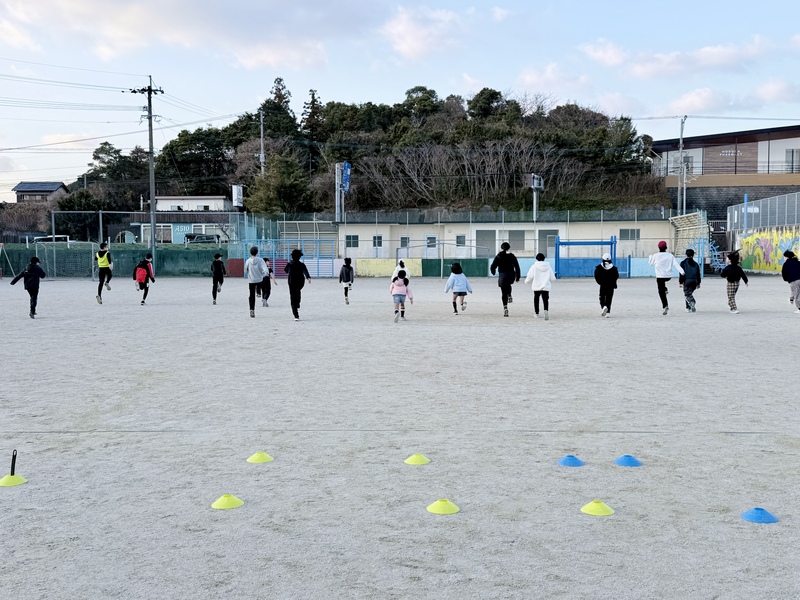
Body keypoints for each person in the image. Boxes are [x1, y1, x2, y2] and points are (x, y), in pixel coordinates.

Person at [648, 240, 684, 315]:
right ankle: (665, 289)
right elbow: (676, 264)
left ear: (658, 247)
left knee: (661, 291)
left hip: (660, 276)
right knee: (662, 286)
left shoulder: (655, 256)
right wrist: (682, 272)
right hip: (668, 276)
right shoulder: (670, 256)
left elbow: (650, 263)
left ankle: (665, 305)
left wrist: (650, 257)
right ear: (666, 247)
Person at [490, 242, 521, 317]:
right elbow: (517, 266)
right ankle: (509, 295)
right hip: (511, 274)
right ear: (509, 248)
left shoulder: (499, 256)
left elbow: (493, 265)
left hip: (502, 274)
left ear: (501, 247)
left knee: (503, 292)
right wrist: (518, 276)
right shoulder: (512, 256)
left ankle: (505, 307)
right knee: (509, 285)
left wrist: (493, 272)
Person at [524, 253, 556, 320]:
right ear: (544, 258)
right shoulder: (548, 267)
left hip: (536, 286)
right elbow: (552, 278)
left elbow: (530, 276)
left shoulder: (534, 266)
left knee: (536, 299)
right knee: (545, 299)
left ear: (536, 259)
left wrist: (526, 281)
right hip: (545, 286)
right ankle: (546, 310)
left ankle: (536, 313)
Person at [284, 248, 311, 321]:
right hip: (300, 282)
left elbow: (285, 270)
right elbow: (305, 271)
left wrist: (288, 266)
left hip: (291, 282)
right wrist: (308, 277)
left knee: (293, 297)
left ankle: (296, 315)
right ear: (299, 257)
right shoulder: (301, 264)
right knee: (298, 294)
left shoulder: (290, 264)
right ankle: (297, 304)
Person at [593, 252, 619, 318]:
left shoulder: (599, 268)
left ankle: (603, 306)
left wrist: (600, 282)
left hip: (603, 285)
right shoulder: (614, 268)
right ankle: (608, 312)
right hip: (611, 286)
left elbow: (596, 276)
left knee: (602, 297)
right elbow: (616, 276)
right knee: (609, 298)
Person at [245, 246, 267, 318]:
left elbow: (245, 270)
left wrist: (248, 272)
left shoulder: (248, 261)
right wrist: (266, 272)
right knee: (260, 283)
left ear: (250, 253)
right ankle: (258, 291)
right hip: (259, 278)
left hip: (251, 280)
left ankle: (252, 309)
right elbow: (264, 268)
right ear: (257, 253)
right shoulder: (260, 260)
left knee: (251, 295)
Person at [679, 248, 702, 313]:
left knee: (687, 294)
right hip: (695, 281)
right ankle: (689, 307)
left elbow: (682, 273)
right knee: (689, 293)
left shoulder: (683, 263)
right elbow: (698, 274)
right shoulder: (696, 264)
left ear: (686, 255)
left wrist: (680, 282)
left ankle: (692, 303)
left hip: (687, 280)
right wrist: (698, 283)